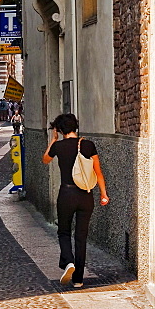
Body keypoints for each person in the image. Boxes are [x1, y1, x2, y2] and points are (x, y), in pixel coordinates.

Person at [42, 113, 109, 288]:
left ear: (60, 130)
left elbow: (45, 159)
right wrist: (103, 194)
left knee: (64, 232)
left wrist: (53, 140)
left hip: (67, 194)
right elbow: (98, 172)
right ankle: (78, 279)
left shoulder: (59, 146)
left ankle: (69, 262)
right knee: (81, 237)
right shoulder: (88, 145)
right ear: (75, 127)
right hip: (86, 195)